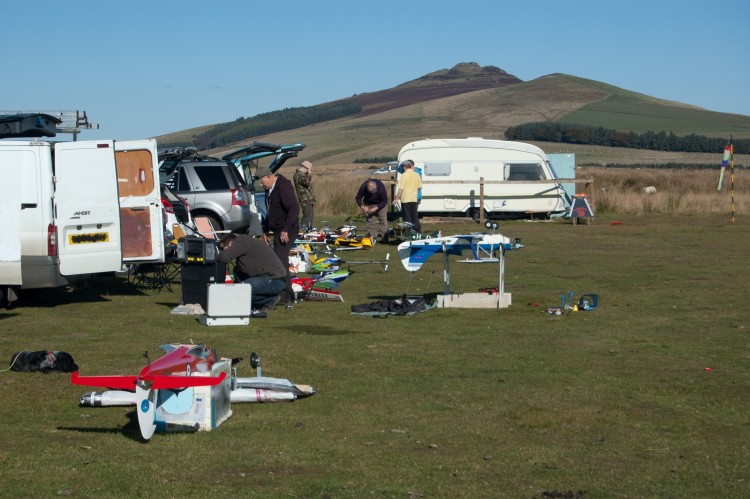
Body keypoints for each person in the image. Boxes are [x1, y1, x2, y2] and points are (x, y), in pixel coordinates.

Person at [258, 164, 300, 306]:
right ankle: (284, 293)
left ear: (269, 177)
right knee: (279, 260)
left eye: (262, 180)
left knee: (279, 260)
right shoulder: (269, 189)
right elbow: (270, 212)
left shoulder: (284, 186)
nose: (260, 183)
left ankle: (286, 295)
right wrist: (265, 230)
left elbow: (294, 208)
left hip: (288, 229)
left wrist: (285, 230)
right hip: (277, 230)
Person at [216, 233, 287, 316]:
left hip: (275, 280)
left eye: (224, 248)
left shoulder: (242, 241)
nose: (223, 251)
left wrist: (213, 257)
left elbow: (225, 257)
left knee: (241, 292)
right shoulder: (244, 249)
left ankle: (270, 299)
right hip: (267, 279)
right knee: (237, 284)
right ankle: (267, 299)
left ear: (231, 243)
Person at [392, 159, 423, 233]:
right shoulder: (416, 174)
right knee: (415, 217)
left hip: (406, 199)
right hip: (414, 198)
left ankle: (409, 233)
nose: (402, 168)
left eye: (403, 167)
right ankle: (418, 232)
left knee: (407, 218)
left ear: (405, 167)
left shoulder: (404, 175)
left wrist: (396, 199)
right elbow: (420, 186)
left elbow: (401, 189)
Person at [355, 178, 389, 243]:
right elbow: (358, 198)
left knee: (383, 220)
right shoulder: (363, 186)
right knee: (370, 221)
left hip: (380, 204)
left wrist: (377, 207)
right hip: (368, 204)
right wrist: (362, 207)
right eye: (370, 192)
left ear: (375, 187)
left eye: (373, 191)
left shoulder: (380, 186)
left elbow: (384, 201)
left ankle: (384, 238)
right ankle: (373, 237)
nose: (372, 193)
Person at [294, 160, 316, 231]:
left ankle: (309, 229)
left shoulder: (302, 175)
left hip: (308, 198)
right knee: (307, 215)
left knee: (310, 215)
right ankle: (303, 229)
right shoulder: (298, 175)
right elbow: (306, 183)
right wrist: (309, 174)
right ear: (306, 168)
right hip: (304, 199)